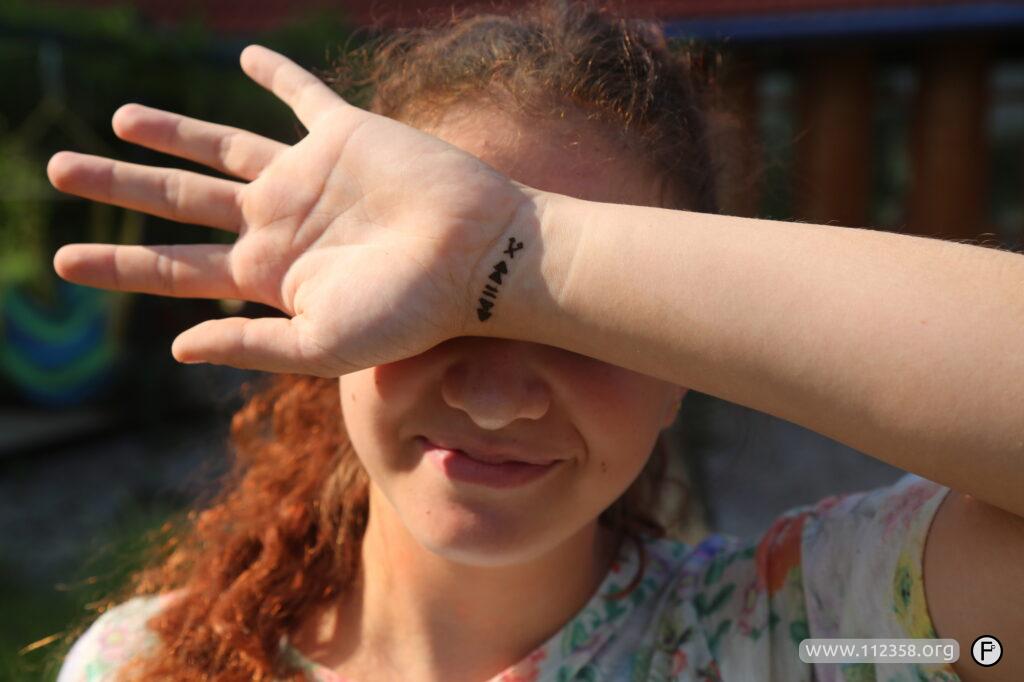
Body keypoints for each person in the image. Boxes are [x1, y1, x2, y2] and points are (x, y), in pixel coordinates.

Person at [48, 2, 1022, 681]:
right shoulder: (137, 665)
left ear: (683, 369)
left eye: (586, 323)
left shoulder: (806, 640)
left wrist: (518, 244)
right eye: (444, 310)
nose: (497, 395)